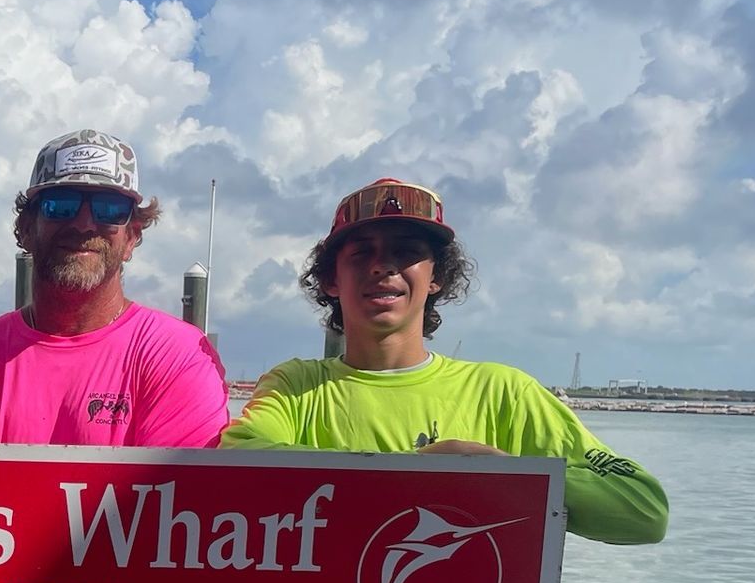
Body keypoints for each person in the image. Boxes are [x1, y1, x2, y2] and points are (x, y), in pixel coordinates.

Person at [221, 177, 668, 545]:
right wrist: (424, 474)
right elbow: (236, 463)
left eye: (407, 251)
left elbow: (642, 510)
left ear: (437, 277)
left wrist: (513, 477)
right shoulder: (295, 386)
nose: (384, 266)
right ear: (331, 279)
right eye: (362, 253)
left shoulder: (503, 392)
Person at [0, 128, 227, 448]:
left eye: (109, 209)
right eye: (60, 205)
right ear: (26, 228)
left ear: (132, 237)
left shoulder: (179, 357)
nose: (83, 224)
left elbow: (181, 492)